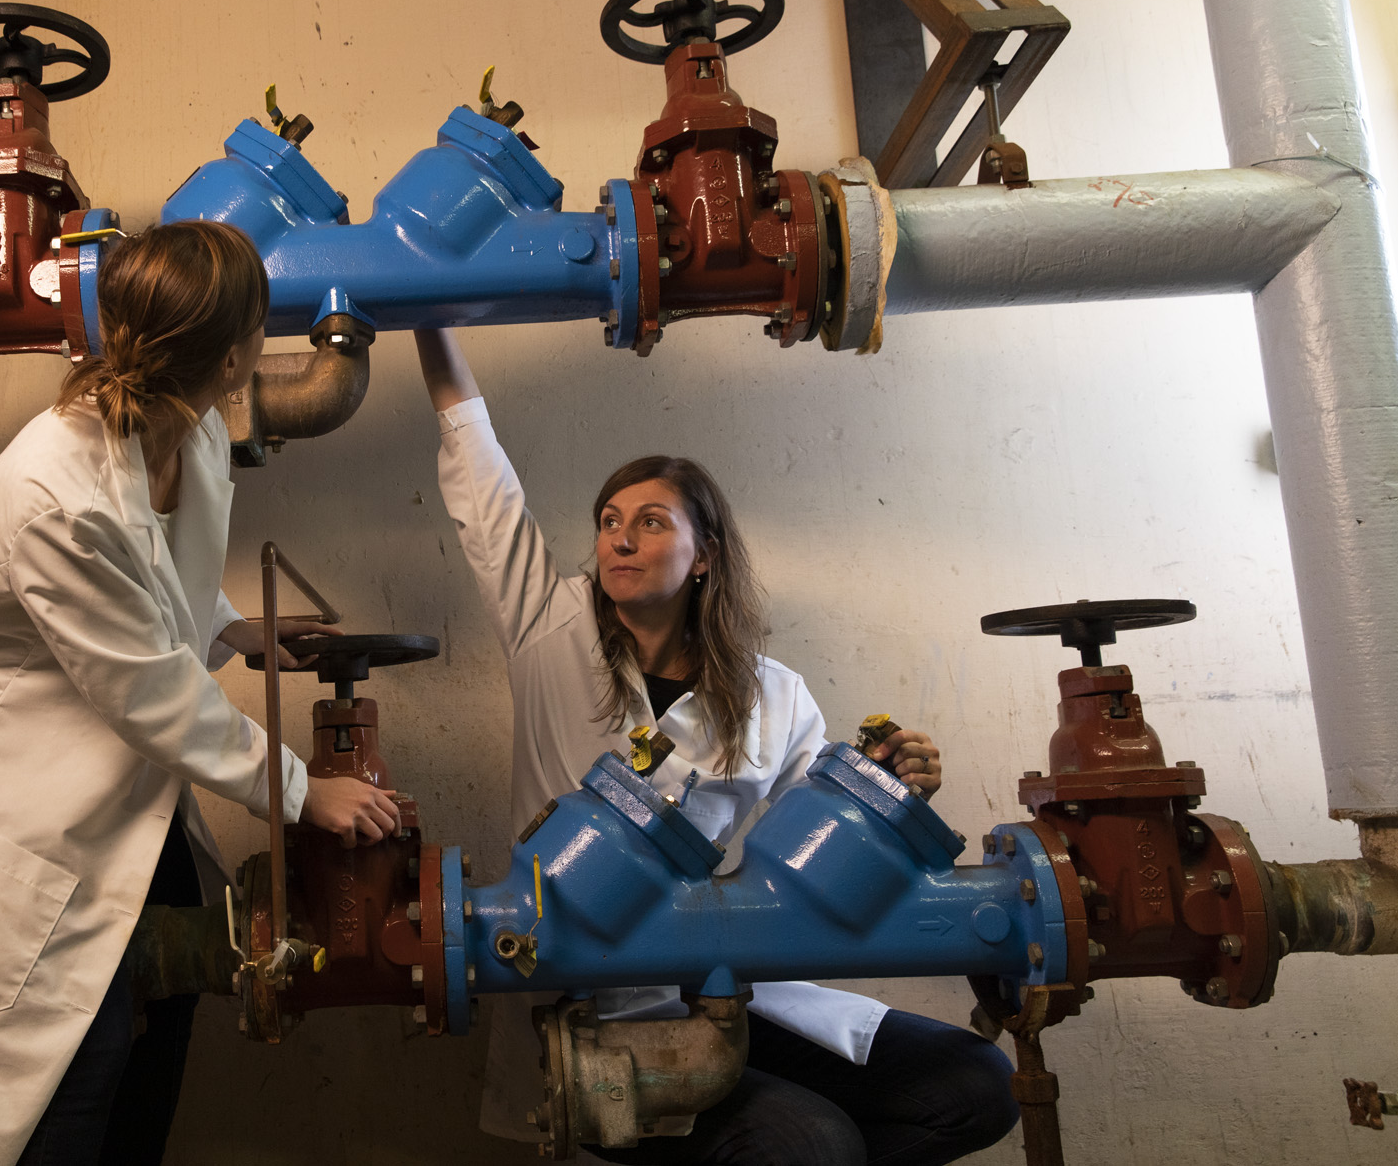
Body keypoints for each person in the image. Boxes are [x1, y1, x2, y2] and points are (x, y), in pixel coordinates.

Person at [0, 221, 400, 1166]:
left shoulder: (198, 430)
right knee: (58, 1091)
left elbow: (157, 584)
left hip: (121, 794)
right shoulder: (55, 490)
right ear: (235, 353)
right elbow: (150, 692)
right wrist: (304, 789)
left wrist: (236, 630)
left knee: (156, 1041)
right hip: (17, 800)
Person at [414, 328, 1019, 1166]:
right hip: (604, 1009)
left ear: (705, 556)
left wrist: (893, 783)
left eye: (650, 522)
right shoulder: (546, 628)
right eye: (609, 522)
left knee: (977, 1085)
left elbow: (828, 844)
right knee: (811, 1144)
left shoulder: (775, 696)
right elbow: (479, 469)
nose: (619, 539)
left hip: (728, 985)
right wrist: (430, 321)